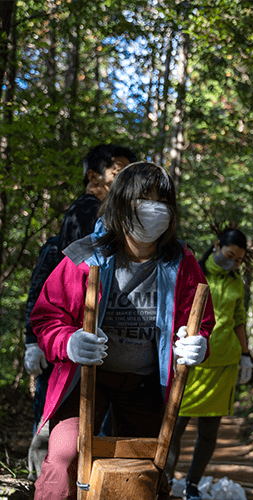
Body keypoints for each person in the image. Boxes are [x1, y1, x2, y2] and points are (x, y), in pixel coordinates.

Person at [30, 161, 215, 500]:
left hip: (144, 383)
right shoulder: (85, 256)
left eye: (163, 200)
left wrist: (198, 343)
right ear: (120, 203)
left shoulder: (182, 262)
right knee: (63, 455)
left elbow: (200, 319)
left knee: (148, 467)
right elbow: (46, 316)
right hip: (86, 380)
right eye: (144, 198)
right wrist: (68, 342)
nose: (155, 208)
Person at [23, 144, 137, 480]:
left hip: (79, 341)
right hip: (71, 342)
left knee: (63, 426)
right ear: (92, 177)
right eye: (118, 170)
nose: (125, 179)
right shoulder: (90, 213)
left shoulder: (97, 214)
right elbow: (53, 277)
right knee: (62, 429)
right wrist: (35, 338)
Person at [165, 227, 253, 500]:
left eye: (239, 260)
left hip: (224, 363)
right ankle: (165, 480)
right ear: (216, 246)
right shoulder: (193, 270)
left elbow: (239, 319)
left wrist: (246, 354)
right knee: (175, 426)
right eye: (230, 256)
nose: (234, 263)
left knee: (208, 431)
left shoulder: (235, 281)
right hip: (190, 362)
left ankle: (192, 485)